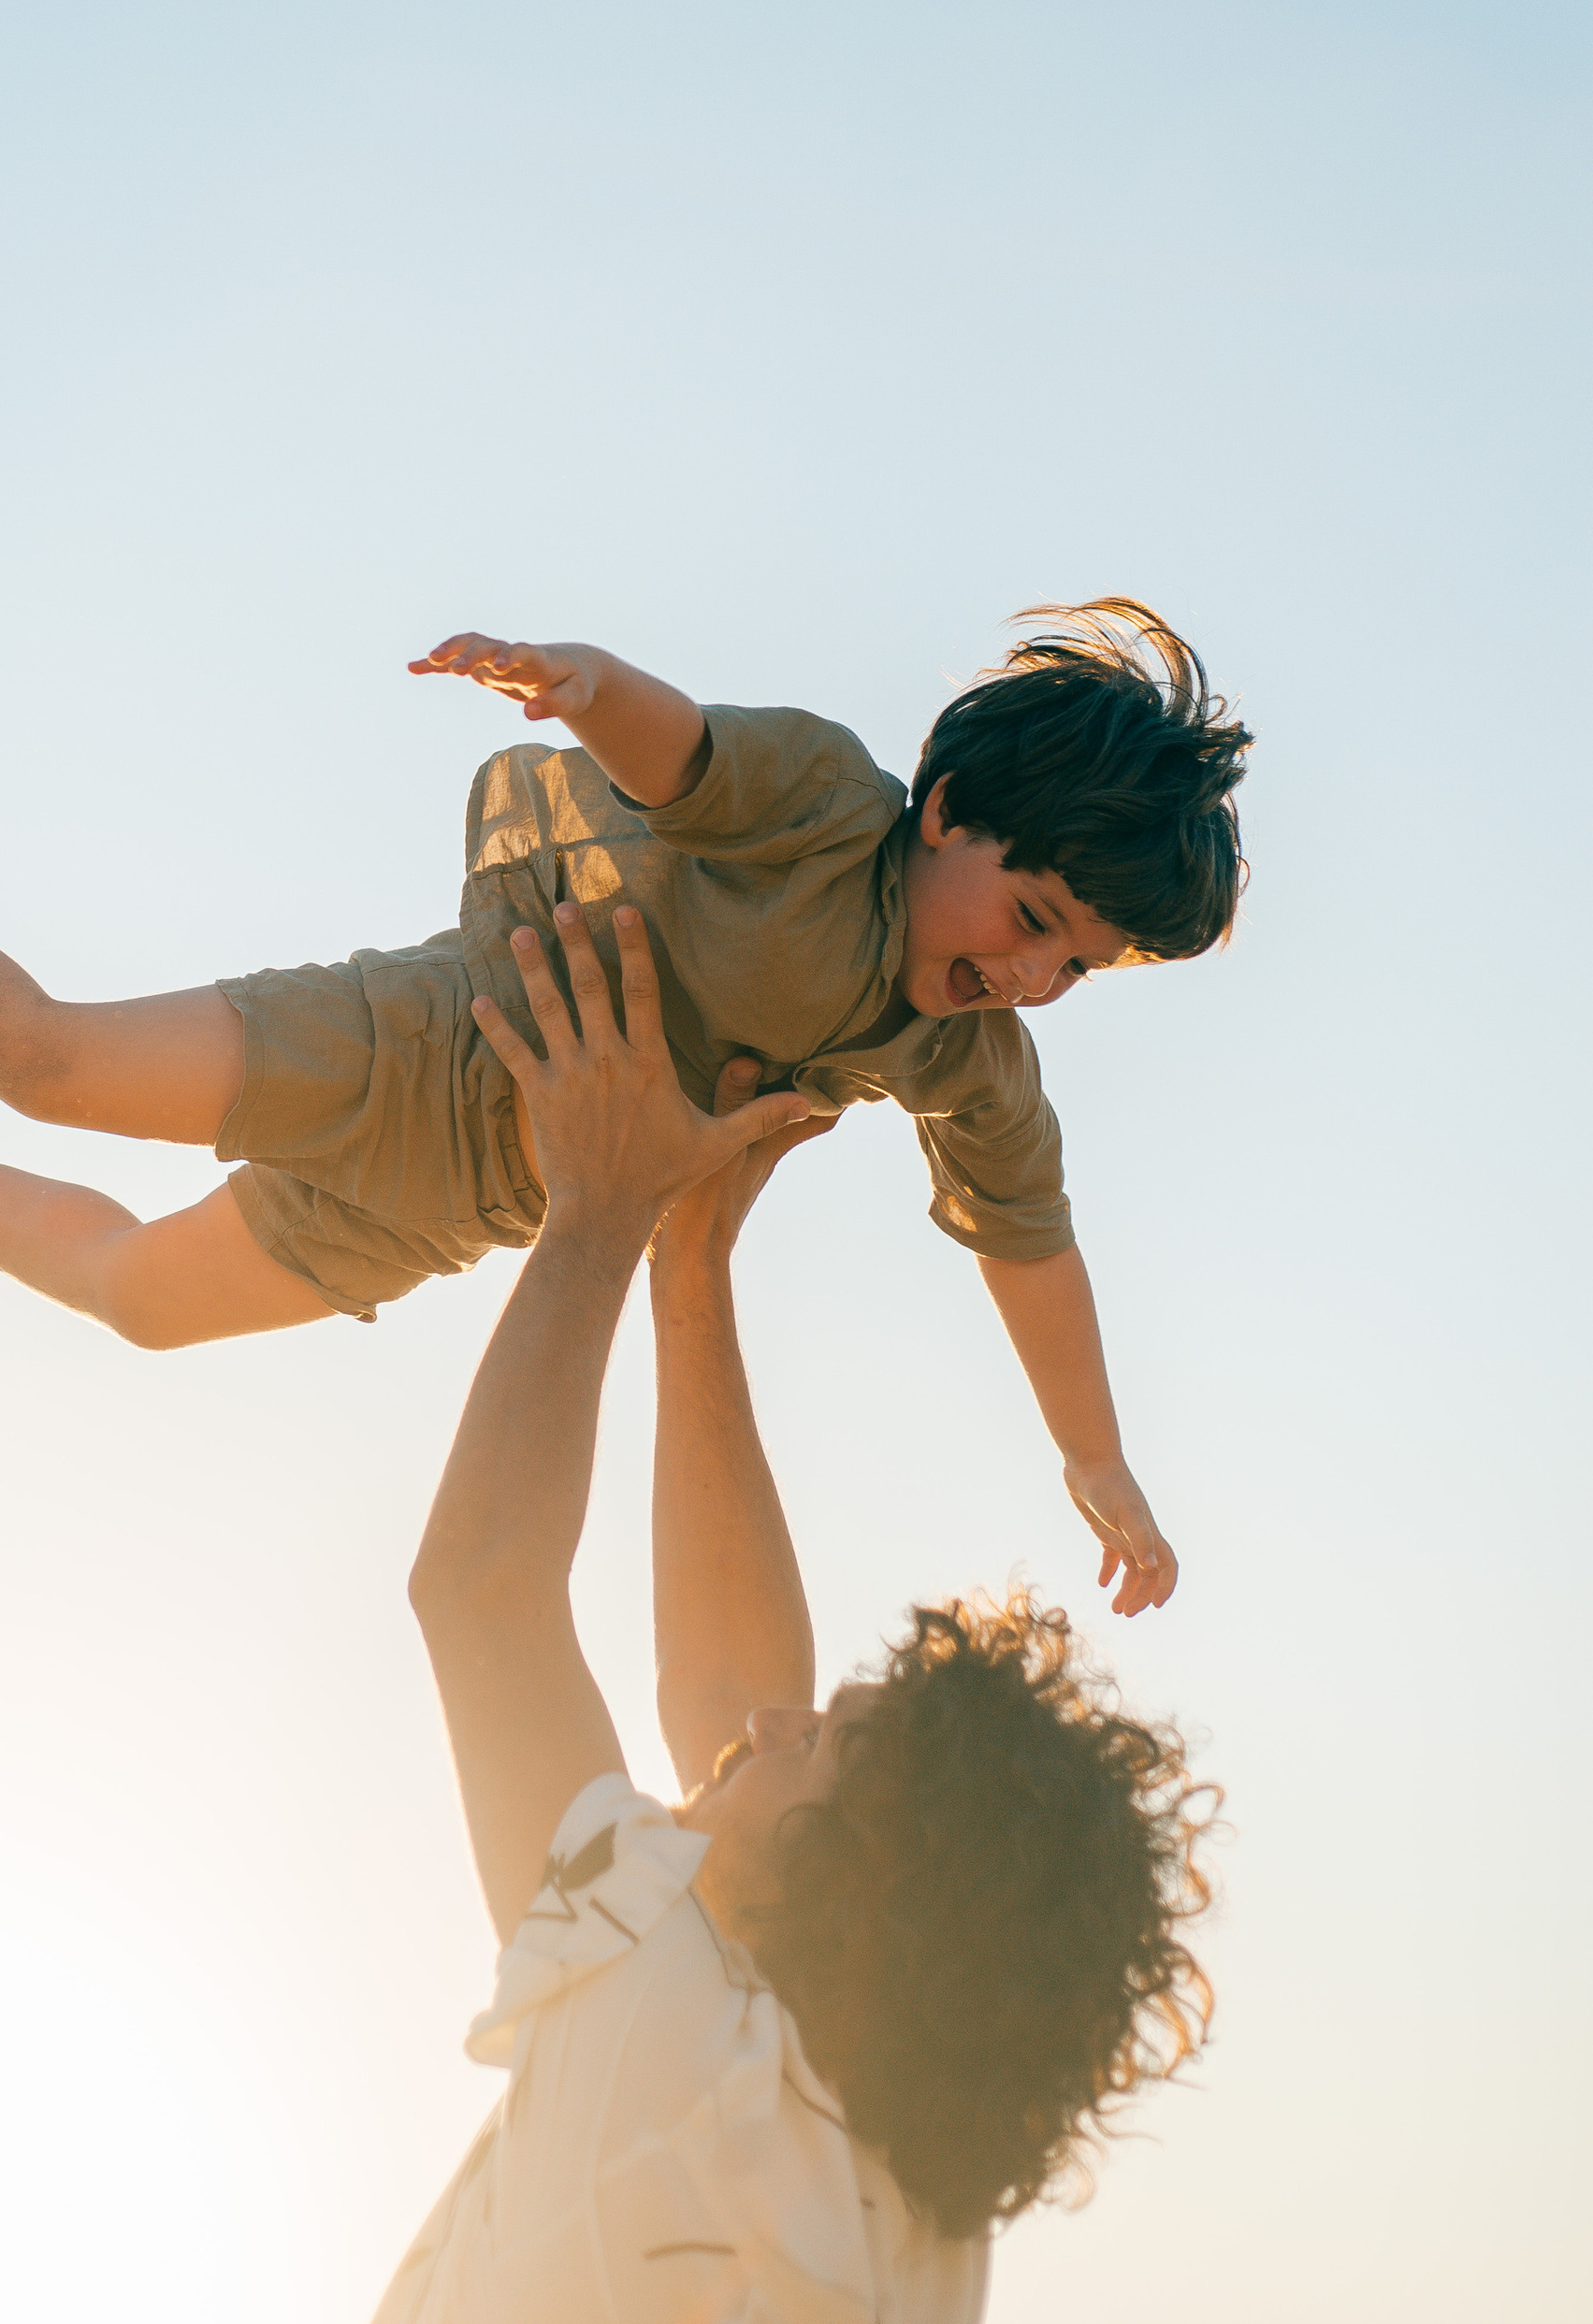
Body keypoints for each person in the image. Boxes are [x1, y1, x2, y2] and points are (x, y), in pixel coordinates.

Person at [0, 598, 1249, 1613]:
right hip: (430, 1042)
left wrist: (1095, 1457)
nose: (1033, 977)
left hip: (475, 1202)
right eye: (1033, 918)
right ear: (947, 811)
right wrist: (579, 679)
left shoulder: (969, 1063)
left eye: (1078, 967)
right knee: (53, 1061)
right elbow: (685, 754)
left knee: (145, 1299)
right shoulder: (827, 807)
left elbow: (1029, 1243)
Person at [380, 898, 1216, 2322]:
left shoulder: (673, 2089)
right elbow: (733, 1703)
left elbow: (482, 1592)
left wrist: (600, 1205)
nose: (774, 1722)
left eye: (820, 1743)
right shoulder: (907, 2204)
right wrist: (691, 1266)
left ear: (861, 1891)